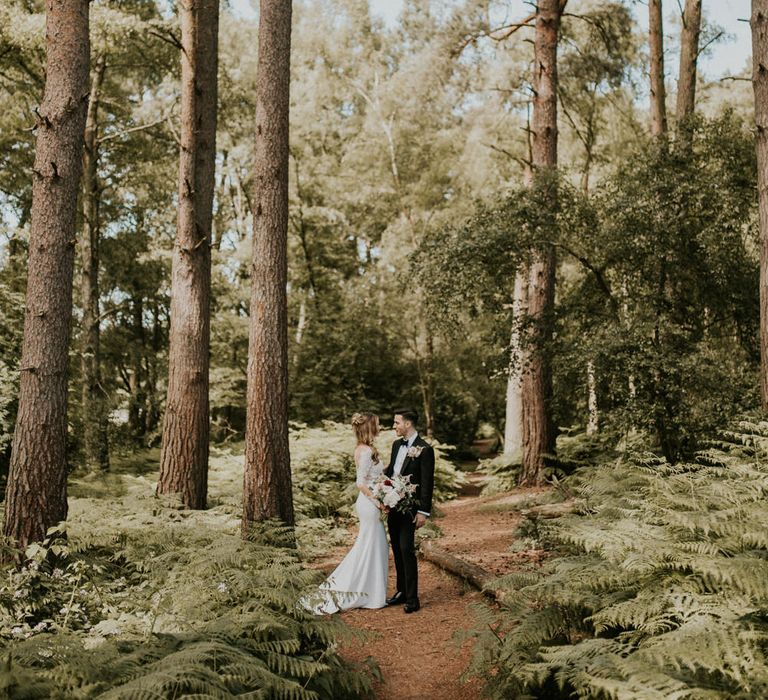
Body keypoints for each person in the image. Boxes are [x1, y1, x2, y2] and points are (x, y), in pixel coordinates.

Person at [301, 412, 389, 614]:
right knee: (371, 546)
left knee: (375, 546)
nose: (379, 426)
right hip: (369, 504)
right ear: (368, 427)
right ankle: (365, 594)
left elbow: (375, 476)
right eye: (376, 424)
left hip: (370, 502)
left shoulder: (365, 449)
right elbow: (361, 483)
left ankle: (371, 593)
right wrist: (380, 503)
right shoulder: (365, 451)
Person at [384, 407, 435, 614]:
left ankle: (413, 598)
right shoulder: (397, 445)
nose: (394, 426)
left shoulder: (425, 449)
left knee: (406, 549)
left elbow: (427, 482)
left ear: (407, 424)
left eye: (396, 422)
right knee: (396, 548)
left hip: (411, 508)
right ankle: (401, 591)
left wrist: (423, 511)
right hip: (392, 504)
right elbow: (391, 473)